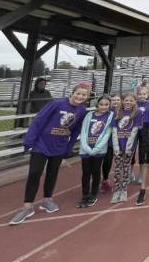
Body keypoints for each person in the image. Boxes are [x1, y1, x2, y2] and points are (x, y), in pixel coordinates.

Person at [9, 84, 90, 225]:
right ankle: (27, 206)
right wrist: (29, 141)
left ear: (87, 97)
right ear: (72, 93)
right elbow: (39, 120)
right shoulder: (56, 104)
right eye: (78, 94)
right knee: (35, 173)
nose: (80, 97)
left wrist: (68, 148)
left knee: (53, 173)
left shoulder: (82, 110)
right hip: (42, 145)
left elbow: (76, 130)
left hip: (59, 147)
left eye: (84, 95)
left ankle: (47, 199)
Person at [77, 95, 114, 208]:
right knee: (86, 172)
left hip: (99, 150)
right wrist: (86, 147)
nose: (103, 107)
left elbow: (107, 134)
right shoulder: (89, 115)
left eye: (106, 105)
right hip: (85, 149)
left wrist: (96, 149)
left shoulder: (110, 116)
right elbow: (83, 131)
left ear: (109, 105)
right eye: (101, 104)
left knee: (95, 171)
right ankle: (85, 194)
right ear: (97, 104)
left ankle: (93, 194)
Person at [110, 93, 142, 204]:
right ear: (122, 101)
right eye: (126, 100)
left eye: (131, 101)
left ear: (135, 102)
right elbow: (114, 130)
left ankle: (123, 190)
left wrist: (129, 146)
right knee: (118, 167)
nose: (128, 103)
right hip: (118, 145)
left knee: (126, 167)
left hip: (129, 146)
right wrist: (116, 146)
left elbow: (134, 131)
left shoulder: (137, 113)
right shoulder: (116, 112)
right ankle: (116, 190)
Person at [101, 94, 121, 193]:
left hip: (117, 141)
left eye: (118, 99)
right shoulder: (106, 111)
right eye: (113, 100)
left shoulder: (124, 111)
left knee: (109, 161)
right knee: (103, 161)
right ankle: (104, 180)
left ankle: (111, 180)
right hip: (104, 140)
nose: (116, 101)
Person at [132, 86, 149, 184]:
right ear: (136, 95)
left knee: (142, 152)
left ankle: (141, 174)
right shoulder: (133, 104)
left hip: (145, 130)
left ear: (147, 95)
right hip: (133, 129)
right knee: (131, 150)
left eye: (144, 94)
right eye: (140, 94)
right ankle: (130, 173)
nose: (142, 96)